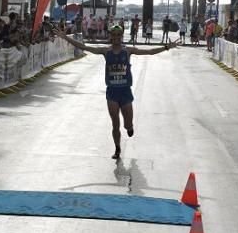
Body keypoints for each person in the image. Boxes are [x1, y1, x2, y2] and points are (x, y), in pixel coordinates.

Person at [53, 25, 178, 160]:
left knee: (127, 124)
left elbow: (148, 52)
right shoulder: (106, 51)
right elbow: (84, 48)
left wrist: (166, 47)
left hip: (125, 92)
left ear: (121, 36)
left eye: (119, 35)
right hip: (112, 92)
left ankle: (129, 127)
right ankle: (117, 148)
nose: (116, 38)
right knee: (115, 123)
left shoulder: (128, 51)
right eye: (114, 35)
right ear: (111, 36)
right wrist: (65, 37)